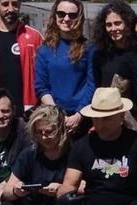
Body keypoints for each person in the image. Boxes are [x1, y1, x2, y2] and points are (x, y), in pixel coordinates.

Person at [0, 105, 70, 205]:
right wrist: (17, 190)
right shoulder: (29, 153)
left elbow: (84, 186)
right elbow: (8, 190)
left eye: (48, 132)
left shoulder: (72, 152)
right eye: (39, 132)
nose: (43, 137)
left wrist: (61, 188)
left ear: (60, 130)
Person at [35, 0, 95, 137]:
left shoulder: (89, 48)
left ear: (79, 18)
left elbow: (92, 84)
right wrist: (58, 115)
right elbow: (41, 87)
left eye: (72, 15)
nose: (66, 19)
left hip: (83, 118)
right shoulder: (45, 50)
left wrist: (79, 115)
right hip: (54, 119)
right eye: (61, 14)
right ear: (55, 16)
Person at [91, 0, 137, 120]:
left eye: (118, 23)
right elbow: (97, 86)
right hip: (110, 118)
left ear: (128, 23)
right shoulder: (100, 55)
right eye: (109, 25)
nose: (113, 28)